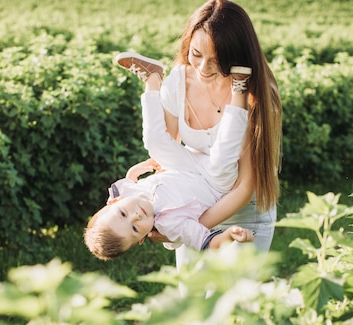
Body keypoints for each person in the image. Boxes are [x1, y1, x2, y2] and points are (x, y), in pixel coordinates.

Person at [84, 53, 255, 260]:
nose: (136, 216)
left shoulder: (125, 192)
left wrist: (134, 172)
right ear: (142, 238)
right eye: (135, 228)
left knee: (154, 144)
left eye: (122, 213)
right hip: (214, 181)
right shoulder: (171, 225)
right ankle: (240, 92)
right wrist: (229, 236)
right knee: (222, 155)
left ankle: (153, 78)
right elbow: (206, 243)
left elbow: (125, 184)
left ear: (114, 202)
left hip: (183, 166)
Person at [151, 0, 283, 268]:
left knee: (231, 304)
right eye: (196, 54)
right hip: (196, 201)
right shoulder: (178, 82)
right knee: (190, 301)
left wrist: (190, 229)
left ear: (238, 56)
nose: (203, 68)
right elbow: (170, 154)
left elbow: (245, 186)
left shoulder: (255, 94)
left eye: (217, 60)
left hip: (244, 214)